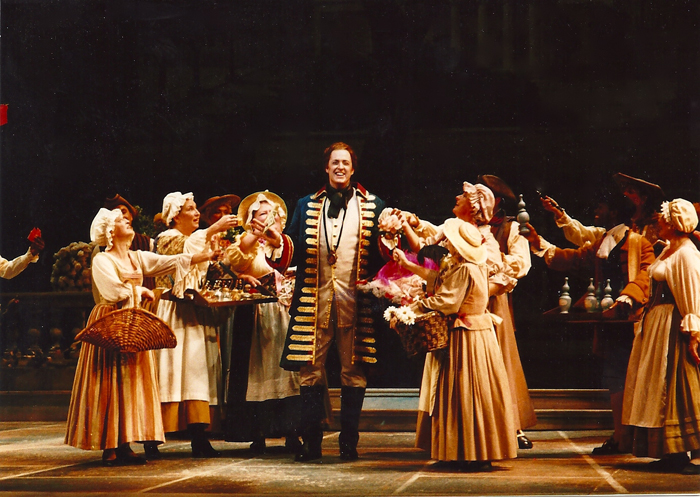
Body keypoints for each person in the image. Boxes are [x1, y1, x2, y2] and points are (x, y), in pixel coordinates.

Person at [65, 208, 218, 465]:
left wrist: (204, 256)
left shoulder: (136, 257)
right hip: (111, 322)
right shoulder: (103, 260)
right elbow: (112, 291)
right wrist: (139, 292)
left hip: (134, 324)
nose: (127, 221)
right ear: (110, 231)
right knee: (110, 382)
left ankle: (126, 443)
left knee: (131, 383)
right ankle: (110, 446)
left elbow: (168, 262)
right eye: (120, 220)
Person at [524, 192, 655, 456]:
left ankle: (632, 436)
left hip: (631, 322)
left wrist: (627, 297)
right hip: (609, 322)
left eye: (601, 206)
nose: (596, 210)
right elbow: (573, 258)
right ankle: (621, 436)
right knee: (615, 377)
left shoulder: (639, 242)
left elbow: (646, 274)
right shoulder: (603, 242)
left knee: (631, 377)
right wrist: (537, 243)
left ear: (614, 212)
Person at [280, 142, 387, 462]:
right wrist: (275, 240)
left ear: (353, 169)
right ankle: (312, 443)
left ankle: (348, 444)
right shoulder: (306, 204)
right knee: (310, 372)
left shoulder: (374, 205)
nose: (340, 167)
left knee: (353, 372)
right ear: (326, 167)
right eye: (334, 162)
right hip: (315, 301)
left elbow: (383, 253)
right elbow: (291, 247)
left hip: (354, 303)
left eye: (345, 163)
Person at [391, 217, 517, 471]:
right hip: (480, 335)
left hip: (465, 337)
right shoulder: (471, 266)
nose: (446, 242)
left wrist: (409, 310)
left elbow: (445, 301)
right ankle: (474, 450)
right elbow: (438, 279)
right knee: (476, 391)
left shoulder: (464, 269)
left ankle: (470, 452)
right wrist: (407, 264)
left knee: (465, 391)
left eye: (449, 240)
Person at [154, 192, 238, 458]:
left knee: (198, 372)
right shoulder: (168, 239)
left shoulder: (198, 239)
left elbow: (208, 269)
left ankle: (199, 436)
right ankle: (152, 439)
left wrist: (235, 275)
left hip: (197, 312)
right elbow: (186, 252)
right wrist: (212, 229)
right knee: (171, 371)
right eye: (190, 209)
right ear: (175, 216)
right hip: (174, 313)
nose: (196, 213)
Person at [622, 198, 700, 475]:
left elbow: (692, 295)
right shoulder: (668, 249)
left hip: (674, 324)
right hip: (658, 324)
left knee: (681, 385)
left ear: (673, 223)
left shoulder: (686, 254)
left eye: (663, 220)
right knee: (660, 387)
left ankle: (694, 455)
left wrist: (694, 333)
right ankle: (672, 454)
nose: (658, 223)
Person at [223, 191, 300, 453]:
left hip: (284, 314)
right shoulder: (246, 244)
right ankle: (257, 433)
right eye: (262, 214)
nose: (269, 218)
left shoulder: (285, 243)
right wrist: (253, 236)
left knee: (288, 373)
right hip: (256, 314)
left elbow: (287, 257)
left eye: (273, 213)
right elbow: (231, 263)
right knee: (256, 372)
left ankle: (293, 432)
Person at [476, 175, 538, 449]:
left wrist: (492, 260)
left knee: (502, 361)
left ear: (496, 201)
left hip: (494, 299)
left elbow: (522, 263)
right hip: (466, 299)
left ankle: (512, 426)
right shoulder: (463, 224)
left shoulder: (510, 227)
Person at [103, 194, 156, 289]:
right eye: (116, 214)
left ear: (131, 216)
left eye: (124, 212)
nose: (122, 216)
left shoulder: (148, 243)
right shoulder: (102, 250)